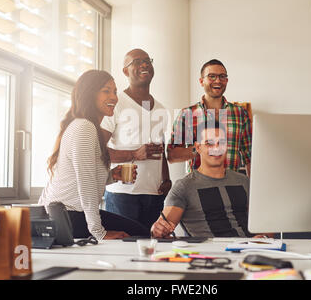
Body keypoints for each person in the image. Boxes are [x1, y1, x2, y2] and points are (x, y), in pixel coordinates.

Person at [39, 70, 148, 240]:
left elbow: (80, 177)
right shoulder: (84, 127)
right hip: (69, 217)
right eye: (106, 91)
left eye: (114, 91)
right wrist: (99, 233)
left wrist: (112, 176)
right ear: (89, 94)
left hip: (65, 215)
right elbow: (86, 183)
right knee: (140, 234)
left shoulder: (84, 126)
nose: (114, 97)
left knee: (139, 231)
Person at [151, 120, 269, 238]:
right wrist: (157, 230)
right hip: (212, 253)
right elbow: (160, 230)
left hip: (250, 250)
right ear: (198, 147)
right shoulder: (184, 187)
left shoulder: (243, 181)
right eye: (209, 143)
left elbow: (266, 225)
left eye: (221, 142)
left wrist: (263, 238)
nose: (216, 148)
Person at [100, 48, 172, 229]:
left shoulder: (161, 109)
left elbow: (160, 149)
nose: (145, 64)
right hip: (122, 194)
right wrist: (134, 154)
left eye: (148, 60)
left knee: (152, 250)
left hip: (155, 195)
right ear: (125, 71)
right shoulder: (115, 103)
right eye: (137, 61)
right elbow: (98, 150)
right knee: (122, 251)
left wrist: (166, 178)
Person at [167, 59, 252, 176]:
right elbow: (172, 155)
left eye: (222, 76)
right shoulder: (187, 115)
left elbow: (250, 158)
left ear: (227, 80)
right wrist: (200, 149)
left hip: (231, 188)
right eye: (212, 76)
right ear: (201, 81)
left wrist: (253, 191)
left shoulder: (240, 114)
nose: (218, 80)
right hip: (197, 188)